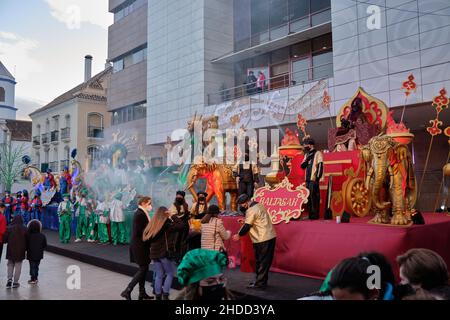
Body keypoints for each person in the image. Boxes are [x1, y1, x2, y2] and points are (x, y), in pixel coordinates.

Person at [232, 194, 277, 290]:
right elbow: (257, 219)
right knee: (264, 261)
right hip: (269, 236)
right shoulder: (259, 205)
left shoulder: (251, 210)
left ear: (247, 201)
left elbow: (247, 226)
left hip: (262, 238)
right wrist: (245, 220)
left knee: (261, 262)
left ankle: (260, 284)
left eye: (242, 204)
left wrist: (239, 235)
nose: (242, 206)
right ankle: (261, 281)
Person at [143, 206, 185, 300]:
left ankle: (158, 296)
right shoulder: (167, 225)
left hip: (154, 253)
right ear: (165, 214)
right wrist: (173, 215)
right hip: (164, 253)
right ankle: (165, 295)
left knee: (159, 275)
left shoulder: (152, 225)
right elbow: (181, 225)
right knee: (170, 273)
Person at [121, 196, 154, 300]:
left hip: (141, 245)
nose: (150, 206)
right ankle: (128, 290)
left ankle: (142, 292)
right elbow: (141, 232)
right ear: (143, 203)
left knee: (144, 269)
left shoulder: (142, 213)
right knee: (143, 268)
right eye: (149, 203)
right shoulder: (140, 214)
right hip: (140, 246)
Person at [300, 138, 323, 220]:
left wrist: (317, 178)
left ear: (310, 145)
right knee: (309, 197)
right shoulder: (306, 155)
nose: (304, 146)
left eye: (305, 144)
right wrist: (307, 159)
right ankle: (310, 215)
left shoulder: (318, 153)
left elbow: (320, 166)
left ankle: (315, 215)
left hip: (314, 179)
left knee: (314, 197)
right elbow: (302, 166)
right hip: (307, 179)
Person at [3, 215, 27, 289]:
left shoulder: (9, 228)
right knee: (18, 266)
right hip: (21, 250)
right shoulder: (25, 229)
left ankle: (9, 280)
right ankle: (16, 282)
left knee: (10, 264)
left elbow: (4, 240)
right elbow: (28, 240)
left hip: (11, 249)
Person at [168, 191, 190, 259]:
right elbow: (172, 215)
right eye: (177, 196)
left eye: (180, 196)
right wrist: (182, 217)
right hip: (177, 225)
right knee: (176, 240)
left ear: (183, 197)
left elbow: (188, 213)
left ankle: (182, 255)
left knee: (184, 241)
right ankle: (176, 255)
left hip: (185, 225)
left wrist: (188, 215)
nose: (179, 197)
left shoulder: (186, 205)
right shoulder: (173, 205)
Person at [26, 219, 47, 285]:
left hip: (31, 254)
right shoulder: (42, 235)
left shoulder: (28, 236)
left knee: (32, 266)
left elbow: (26, 245)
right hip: (39, 254)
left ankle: (33, 278)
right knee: (36, 266)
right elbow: (44, 245)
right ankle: (36, 277)